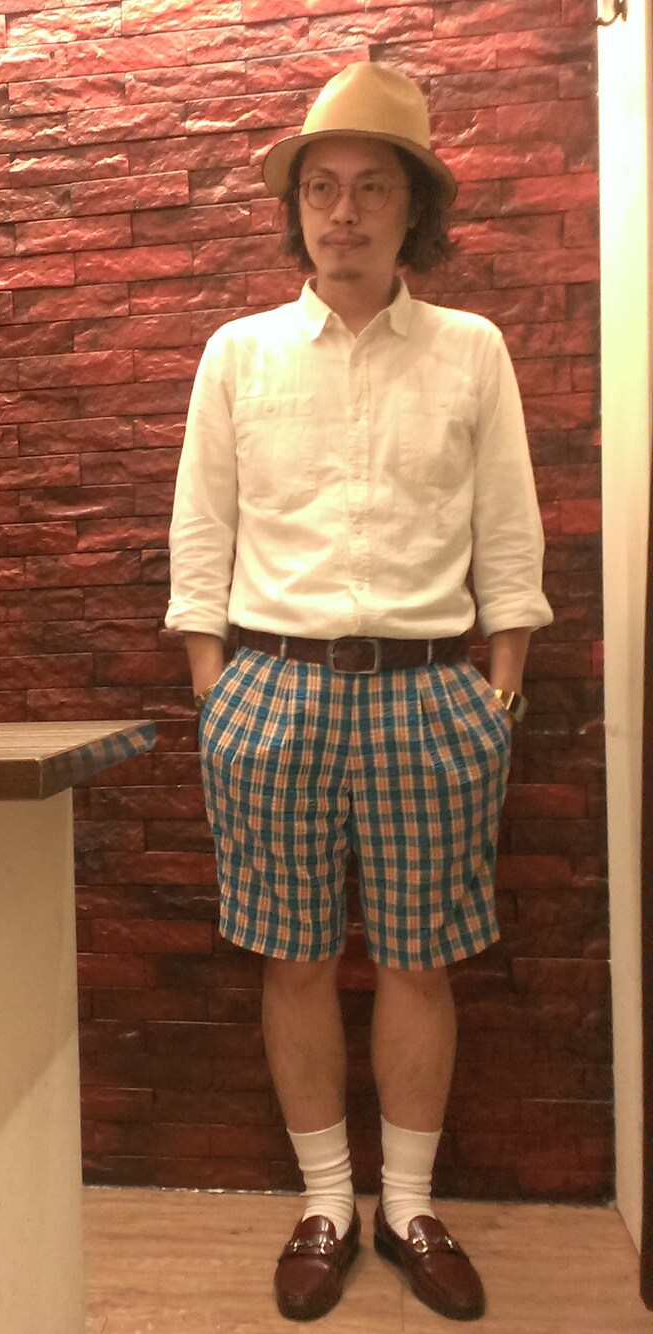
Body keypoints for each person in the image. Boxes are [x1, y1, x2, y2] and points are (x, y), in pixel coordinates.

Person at [164, 61, 552, 1323]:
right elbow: (200, 536)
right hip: (270, 688)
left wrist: (498, 691)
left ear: (410, 207)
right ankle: (326, 1202)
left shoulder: (469, 350)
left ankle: (410, 1205)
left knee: (420, 961)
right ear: (296, 210)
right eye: (320, 188)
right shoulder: (239, 354)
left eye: (371, 188)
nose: (342, 211)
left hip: (430, 695)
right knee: (290, 958)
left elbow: (509, 535)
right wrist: (215, 689)